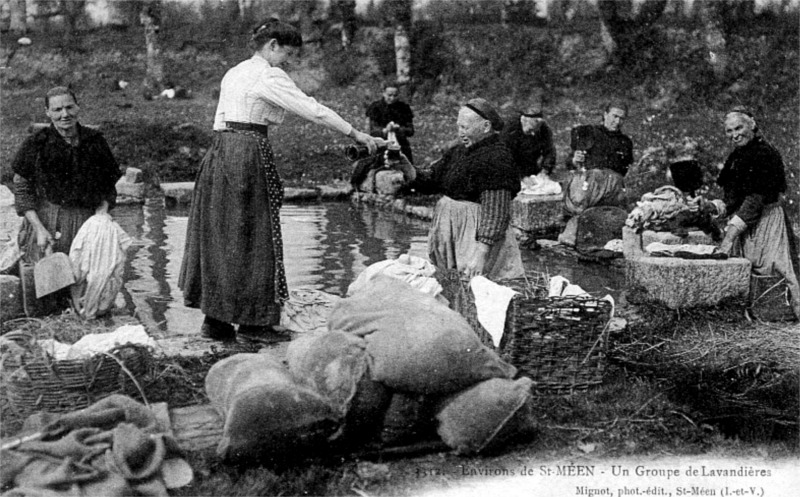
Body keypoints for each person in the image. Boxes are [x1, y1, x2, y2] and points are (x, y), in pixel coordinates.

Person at [179, 19, 382, 342]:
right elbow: (312, 110)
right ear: (271, 45)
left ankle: (215, 320)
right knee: (258, 235)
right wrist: (355, 133)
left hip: (220, 150)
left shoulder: (235, 72)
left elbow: (222, 118)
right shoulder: (268, 74)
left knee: (222, 234)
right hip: (247, 153)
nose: (287, 61)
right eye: (286, 53)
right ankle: (254, 324)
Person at [12, 87, 121, 309]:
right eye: (57, 109)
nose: (65, 114)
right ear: (48, 113)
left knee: (84, 279)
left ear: (78, 108)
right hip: (47, 218)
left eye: (69, 107)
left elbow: (108, 186)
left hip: (84, 220)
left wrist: (102, 215)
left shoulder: (94, 141)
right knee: (47, 284)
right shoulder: (38, 143)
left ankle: (84, 314)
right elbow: (22, 189)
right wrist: (39, 229)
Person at [404, 98, 524, 280]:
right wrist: (405, 165)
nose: (460, 133)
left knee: (476, 282)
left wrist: (481, 253)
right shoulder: (459, 152)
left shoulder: (497, 158)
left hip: (476, 236)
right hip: (453, 230)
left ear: (486, 127)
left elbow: (496, 211)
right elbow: (430, 180)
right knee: (451, 283)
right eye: (459, 127)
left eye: (465, 128)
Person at [716, 107, 800, 319]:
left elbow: (755, 201)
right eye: (729, 131)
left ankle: (790, 319)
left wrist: (729, 237)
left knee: (779, 270)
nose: (735, 135)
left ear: (752, 124)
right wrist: (712, 207)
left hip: (768, 221)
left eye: (739, 128)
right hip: (747, 223)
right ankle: (757, 316)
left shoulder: (765, 154)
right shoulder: (737, 156)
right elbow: (733, 197)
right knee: (749, 270)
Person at [559, 101, 633, 245]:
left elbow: (623, 171)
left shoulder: (625, 142)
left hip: (611, 188)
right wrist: (575, 159)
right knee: (588, 187)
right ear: (605, 115)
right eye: (614, 116)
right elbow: (570, 163)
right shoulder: (590, 133)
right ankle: (572, 232)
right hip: (587, 186)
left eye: (621, 118)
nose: (617, 121)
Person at [500, 102, 556, 180]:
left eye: (536, 131)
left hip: (531, 166)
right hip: (511, 170)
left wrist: (545, 170)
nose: (533, 133)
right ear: (523, 121)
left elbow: (550, 151)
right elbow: (505, 157)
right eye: (530, 130)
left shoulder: (544, 129)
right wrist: (522, 177)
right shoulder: (510, 130)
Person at [366, 81, 415, 163]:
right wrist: (385, 130)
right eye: (389, 95)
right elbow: (373, 131)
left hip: (401, 145)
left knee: (411, 171)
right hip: (380, 144)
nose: (392, 98)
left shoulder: (404, 108)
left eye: (395, 95)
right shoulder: (376, 107)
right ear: (383, 93)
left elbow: (410, 131)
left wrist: (398, 128)